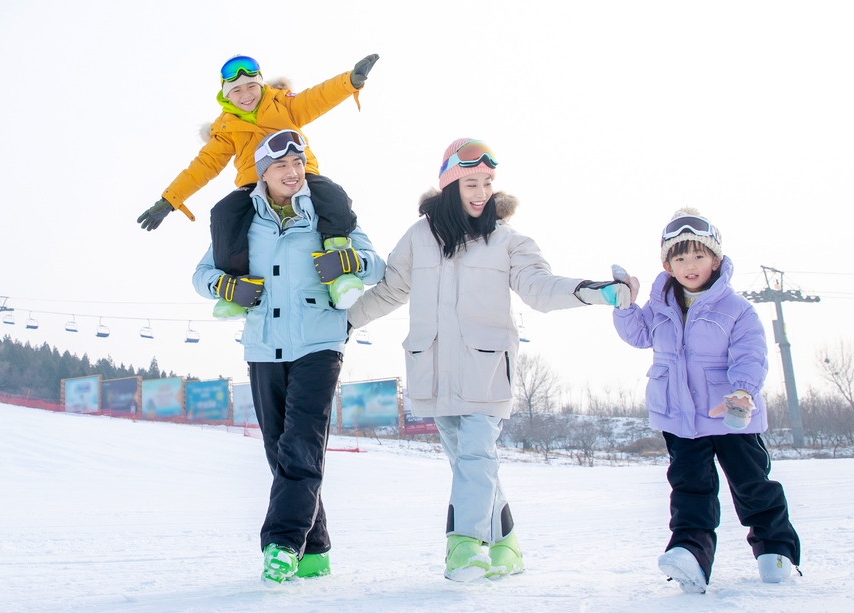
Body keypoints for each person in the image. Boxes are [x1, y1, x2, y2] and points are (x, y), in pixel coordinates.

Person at [346, 138, 633, 581]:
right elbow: (389, 291)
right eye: (470, 184)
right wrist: (344, 323)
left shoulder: (508, 241)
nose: (481, 193)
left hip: (485, 370)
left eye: (486, 183)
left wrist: (597, 292)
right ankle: (508, 547)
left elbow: (541, 288)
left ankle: (465, 546)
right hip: (434, 370)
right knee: (468, 463)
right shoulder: (419, 238)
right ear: (449, 186)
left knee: (477, 456)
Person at [192, 131, 385, 583]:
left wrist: (350, 263)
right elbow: (201, 275)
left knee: (301, 445)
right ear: (263, 173)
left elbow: (378, 264)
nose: (293, 172)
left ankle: (281, 544)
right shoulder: (242, 223)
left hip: (319, 344)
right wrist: (226, 287)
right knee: (279, 450)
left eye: (298, 164)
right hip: (263, 349)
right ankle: (315, 551)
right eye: (282, 166)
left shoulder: (326, 214)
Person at [612, 208, 801, 593]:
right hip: (681, 419)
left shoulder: (736, 308)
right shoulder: (660, 305)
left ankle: (776, 551)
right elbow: (638, 336)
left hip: (731, 415)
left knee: (752, 485)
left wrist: (743, 390)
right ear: (667, 264)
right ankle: (690, 554)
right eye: (680, 257)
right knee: (689, 488)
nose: (690, 265)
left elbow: (751, 353)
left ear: (715, 259)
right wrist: (624, 305)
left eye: (699, 255)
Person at [143, 53, 380, 316]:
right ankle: (235, 284)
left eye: (251, 86)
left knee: (333, 195)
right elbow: (203, 165)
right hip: (252, 184)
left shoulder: (283, 105)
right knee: (223, 214)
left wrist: (350, 81)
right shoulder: (227, 129)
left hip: (300, 175)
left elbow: (318, 97)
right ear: (226, 96)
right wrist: (170, 200)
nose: (246, 94)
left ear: (261, 85)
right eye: (237, 90)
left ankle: (338, 270)